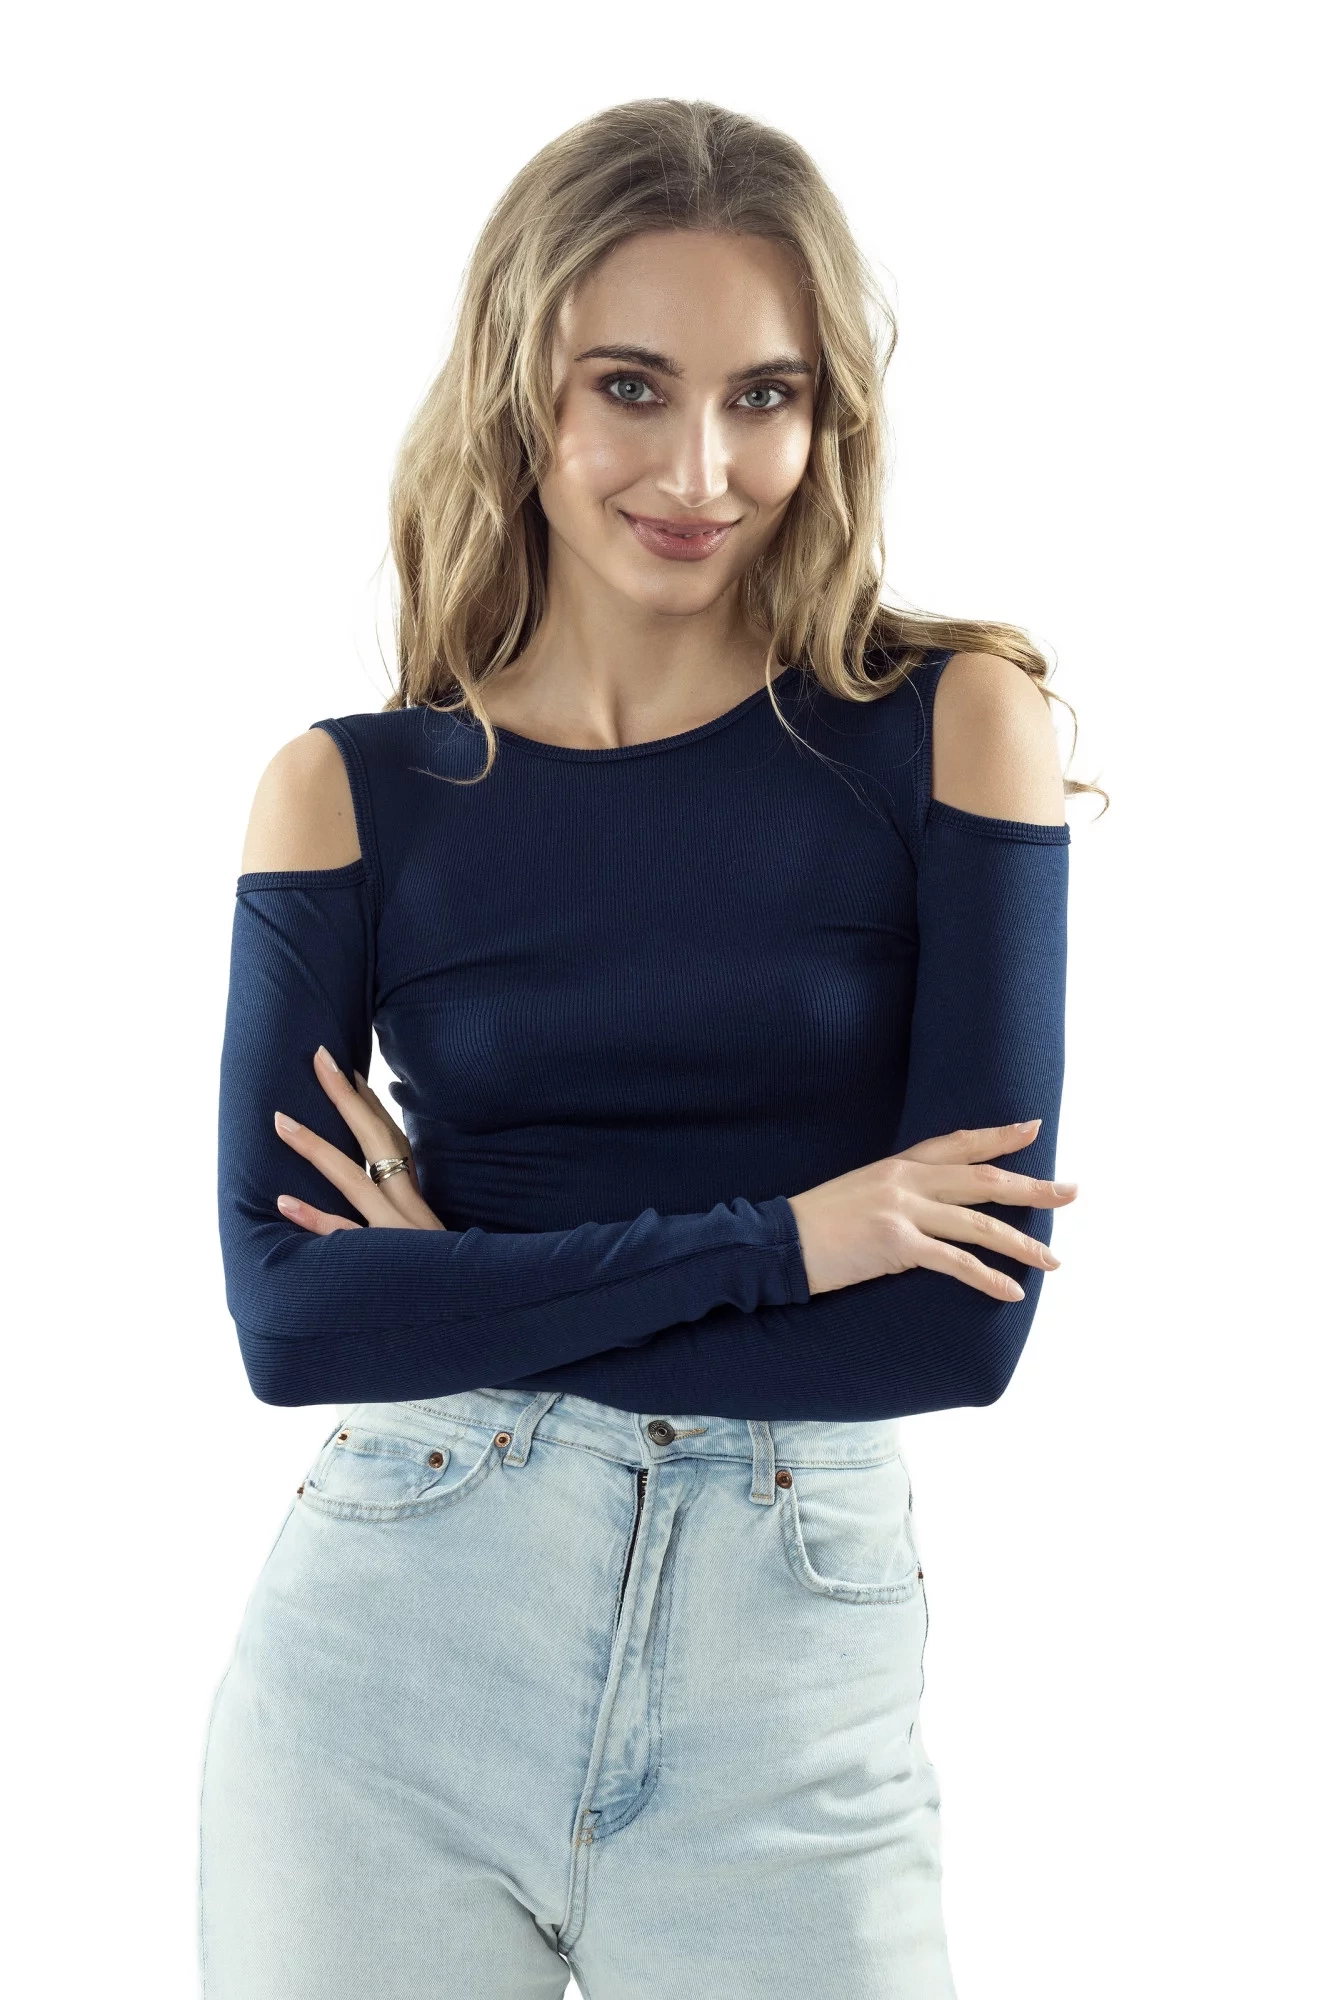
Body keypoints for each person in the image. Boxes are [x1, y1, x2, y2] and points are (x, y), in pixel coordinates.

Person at [199, 96, 1095, 2000]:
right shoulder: (352, 793)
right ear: (518, 389)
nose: (702, 468)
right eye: (631, 386)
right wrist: (791, 1239)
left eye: (764, 397)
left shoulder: (950, 727)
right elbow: (289, 1326)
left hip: (791, 1691)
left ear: (826, 417)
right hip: (385, 1678)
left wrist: (458, 1287)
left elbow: (955, 1332)